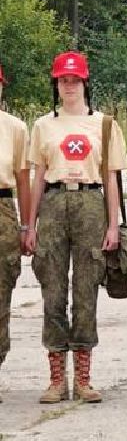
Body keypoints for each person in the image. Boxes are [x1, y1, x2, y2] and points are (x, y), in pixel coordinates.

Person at [21, 52, 127, 404]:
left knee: (86, 290)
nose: (69, 86)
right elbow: (37, 178)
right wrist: (31, 224)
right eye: (63, 80)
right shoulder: (43, 126)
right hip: (53, 201)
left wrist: (113, 225)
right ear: (56, 84)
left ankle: (83, 377)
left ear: (85, 83)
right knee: (52, 289)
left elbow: (111, 179)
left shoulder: (105, 125)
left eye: (75, 80)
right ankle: (56, 378)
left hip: (90, 202)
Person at [0, 62, 32, 404]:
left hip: (3, 210)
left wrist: (26, 225)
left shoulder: (14, 128)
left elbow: (24, 181)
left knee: (1, 292)